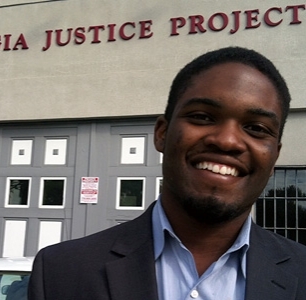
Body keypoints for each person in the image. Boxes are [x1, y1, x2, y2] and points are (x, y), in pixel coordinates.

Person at [28, 47, 306, 300]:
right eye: (203, 117)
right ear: (162, 133)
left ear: (275, 157)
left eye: (256, 128)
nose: (227, 141)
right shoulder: (61, 272)